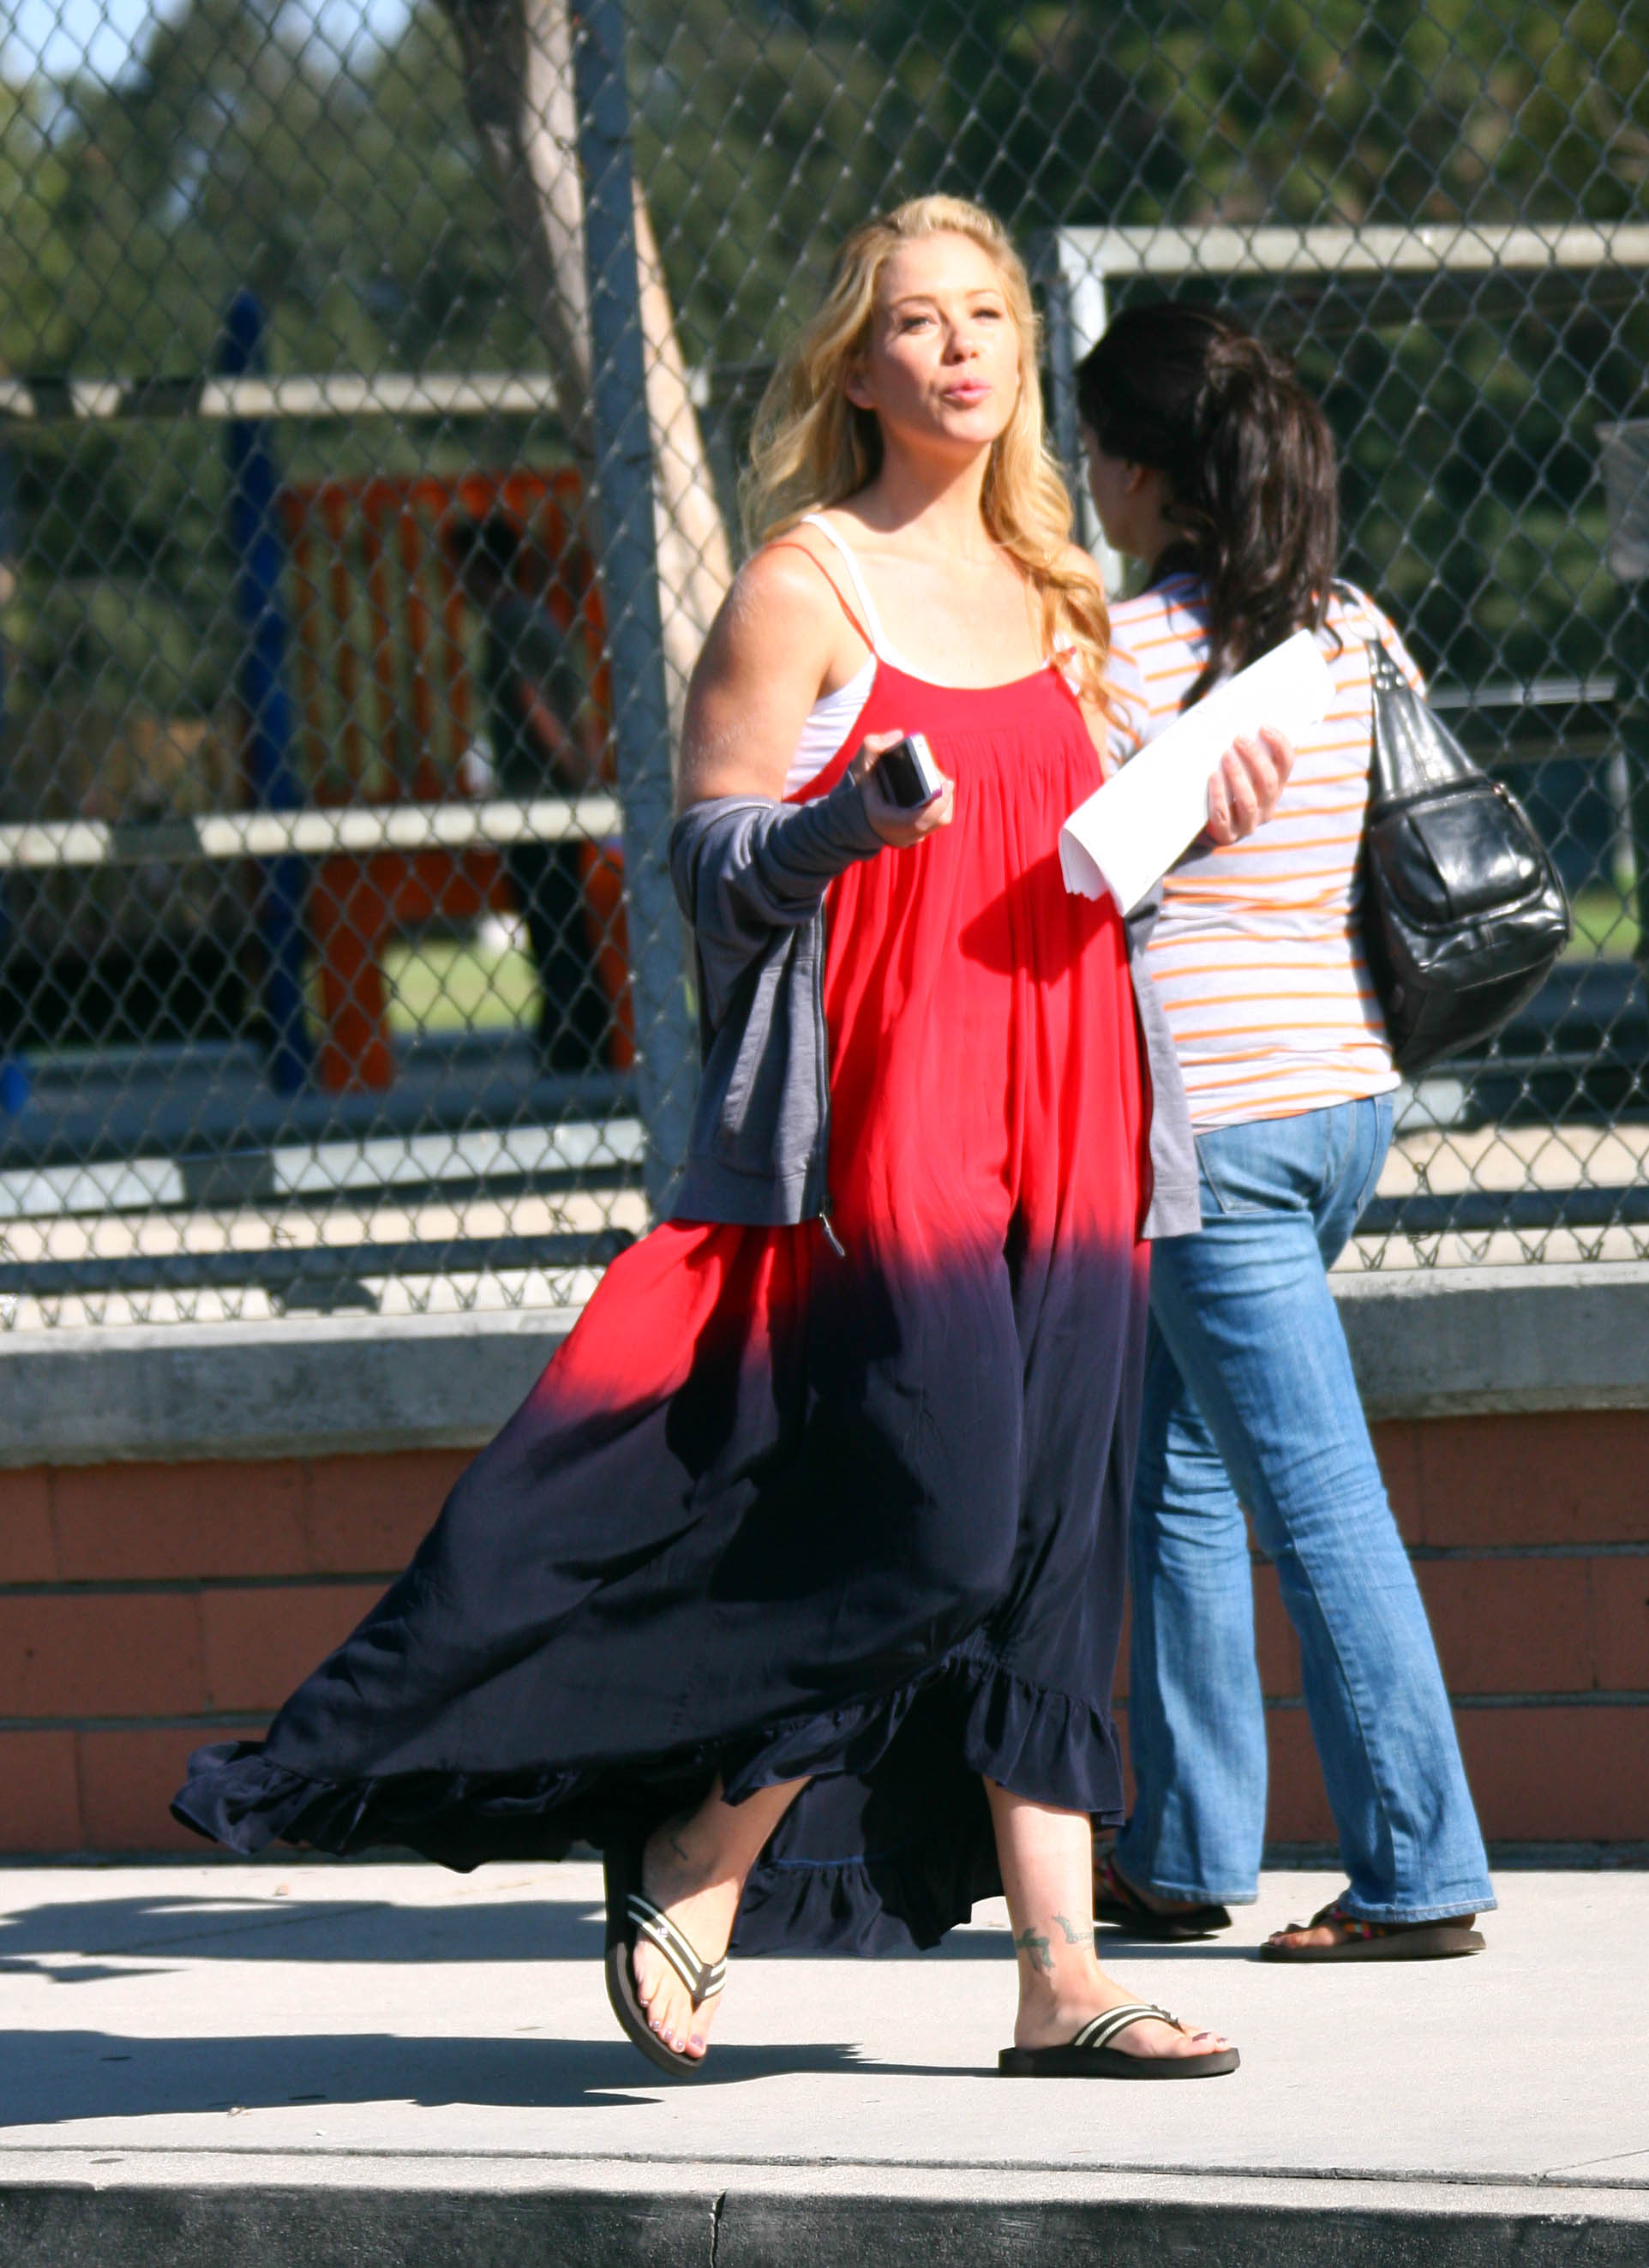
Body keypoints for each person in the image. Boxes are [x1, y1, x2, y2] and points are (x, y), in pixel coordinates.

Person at [173, 201, 1286, 2080]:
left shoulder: (1064, 588)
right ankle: (704, 1837)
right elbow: (699, 862)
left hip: (1079, 1106)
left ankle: (1058, 1978)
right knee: (937, 1525)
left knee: (1047, 1545)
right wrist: (847, 822)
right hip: (893, 1121)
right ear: (855, 365)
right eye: (917, 321)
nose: (959, 346)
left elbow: (1073, 869)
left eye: (987, 316)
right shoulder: (802, 582)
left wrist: (1195, 820)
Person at [1076, 303, 1495, 1960]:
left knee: (1311, 1497)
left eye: (1094, 449)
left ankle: (1417, 1871)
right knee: (1176, 1463)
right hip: (1341, 1101)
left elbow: (1063, 877)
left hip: (1214, 1128)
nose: (1086, 478)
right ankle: (1182, 1847)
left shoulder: (1119, 657)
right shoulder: (1349, 627)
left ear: (1142, 473)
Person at [447, 513, 613, 1074]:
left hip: (537, 801)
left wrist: (578, 774)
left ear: (479, 568)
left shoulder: (510, 624)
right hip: (549, 799)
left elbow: (534, 701)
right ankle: (579, 1043)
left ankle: (572, 1047)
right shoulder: (534, 618)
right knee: (561, 927)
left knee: (554, 929)